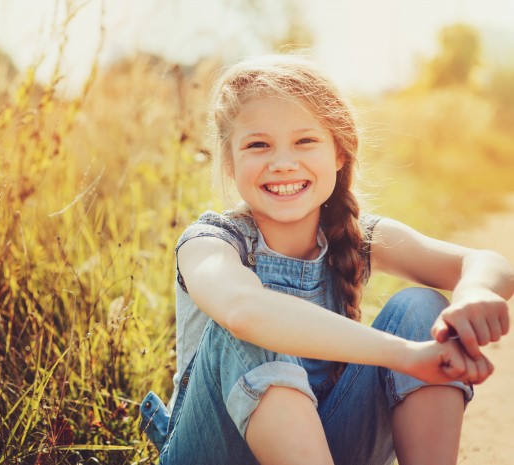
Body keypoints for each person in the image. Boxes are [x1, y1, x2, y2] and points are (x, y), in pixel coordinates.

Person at [139, 54, 514, 465]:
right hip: (214, 451)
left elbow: (486, 262)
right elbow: (245, 311)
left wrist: (474, 290)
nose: (282, 163)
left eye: (305, 141)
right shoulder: (210, 243)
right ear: (230, 162)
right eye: (258, 144)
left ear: (339, 152)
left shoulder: (355, 237)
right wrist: (406, 356)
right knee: (254, 329)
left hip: (325, 445)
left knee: (422, 309)